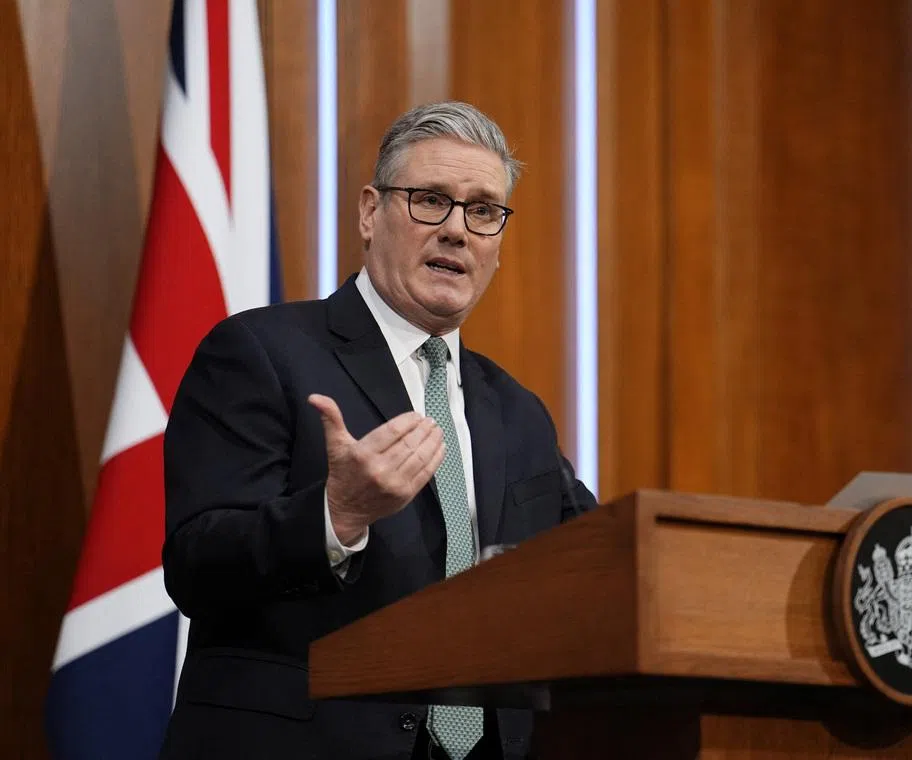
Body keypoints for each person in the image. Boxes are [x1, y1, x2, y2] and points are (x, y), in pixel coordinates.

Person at [158, 101, 596, 760]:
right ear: (370, 212)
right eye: (430, 200)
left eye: (482, 211)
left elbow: (590, 563)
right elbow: (196, 568)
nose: (457, 230)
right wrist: (336, 515)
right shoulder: (260, 352)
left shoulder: (518, 411)